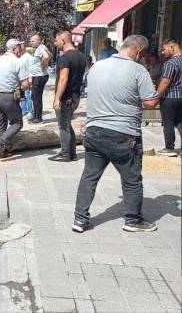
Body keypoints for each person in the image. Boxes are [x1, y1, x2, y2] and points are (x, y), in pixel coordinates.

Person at [73, 35, 160, 233]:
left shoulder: (97, 67)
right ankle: (133, 220)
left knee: (89, 176)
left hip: (94, 131)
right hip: (124, 134)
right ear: (139, 51)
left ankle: (79, 219)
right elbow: (151, 102)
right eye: (142, 55)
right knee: (131, 179)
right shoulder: (138, 70)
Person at [0, 39, 30, 157]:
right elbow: (25, 84)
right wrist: (21, 88)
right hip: (9, 97)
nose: (21, 49)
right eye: (19, 47)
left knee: (1, 123)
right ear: (14, 49)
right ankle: (1, 142)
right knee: (17, 123)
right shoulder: (18, 62)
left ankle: (0, 153)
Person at [50, 31, 86, 162]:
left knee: (63, 126)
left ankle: (65, 154)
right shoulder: (81, 56)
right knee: (67, 124)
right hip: (75, 96)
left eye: (56, 40)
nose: (55, 43)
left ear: (63, 41)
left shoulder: (64, 58)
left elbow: (63, 79)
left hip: (66, 98)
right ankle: (72, 153)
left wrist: (57, 98)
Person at [157, 39, 182, 157]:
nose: (162, 52)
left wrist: (156, 96)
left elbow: (165, 83)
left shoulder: (170, 63)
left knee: (168, 123)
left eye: (164, 49)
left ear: (172, 47)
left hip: (170, 97)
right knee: (180, 122)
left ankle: (169, 148)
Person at [28, 35, 52, 123]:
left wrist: (42, 64)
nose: (31, 43)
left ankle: (38, 117)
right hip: (37, 76)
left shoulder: (41, 47)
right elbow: (50, 54)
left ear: (39, 41)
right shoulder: (39, 48)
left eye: (33, 41)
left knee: (36, 97)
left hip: (40, 76)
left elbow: (46, 56)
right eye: (31, 41)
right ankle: (36, 115)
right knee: (34, 96)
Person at [19, 49, 34, 119]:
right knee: (21, 96)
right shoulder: (17, 57)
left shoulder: (28, 57)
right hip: (19, 79)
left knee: (27, 95)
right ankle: (23, 110)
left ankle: (30, 111)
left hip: (26, 79)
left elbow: (31, 68)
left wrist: (30, 78)